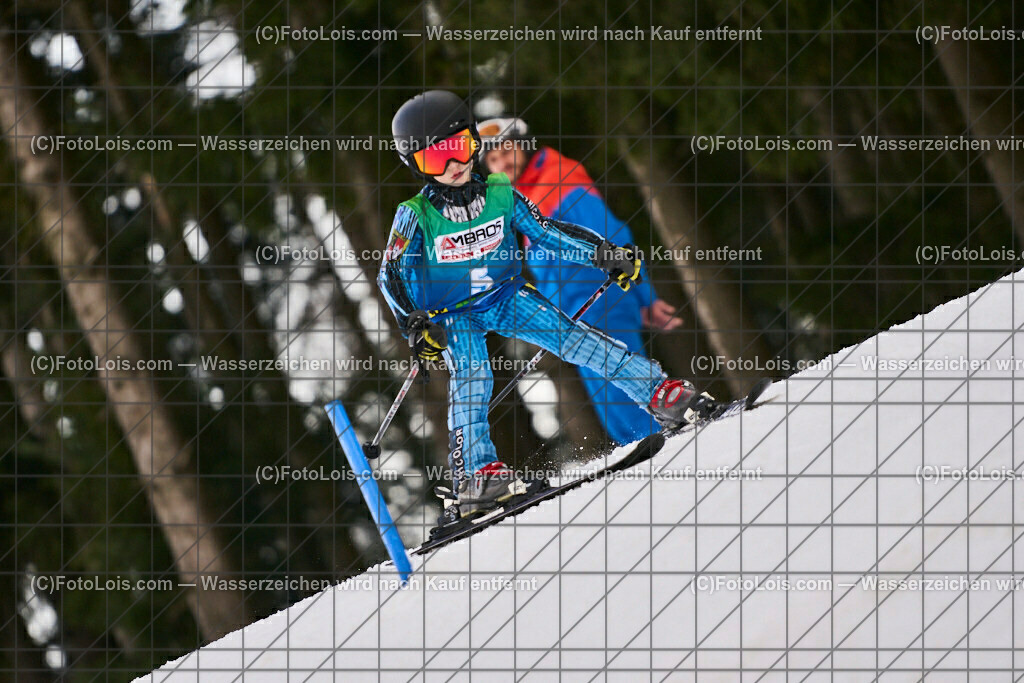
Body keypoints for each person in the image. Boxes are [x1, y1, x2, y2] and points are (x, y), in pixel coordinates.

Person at [378, 90, 716, 518]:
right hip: (453, 313)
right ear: (416, 166)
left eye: (459, 148)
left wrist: (603, 254)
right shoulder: (416, 214)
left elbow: (549, 234)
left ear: (473, 144)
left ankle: (657, 393)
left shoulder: (501, 194)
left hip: (503, 295)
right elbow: (391, 273)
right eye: (434, 159)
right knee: (473, 373)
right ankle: (477, 475)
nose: (453, 166)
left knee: (573, 336)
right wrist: (414, 324)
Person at [479, 116, 680, 446]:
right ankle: (642, 450)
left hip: (602, 301)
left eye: (507, 150)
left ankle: (668, 443)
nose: (503, 162)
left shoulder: (558, 178)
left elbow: (613, 237)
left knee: (622, 387)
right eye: (493, 160)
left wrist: (646, 296)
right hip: (575, 317)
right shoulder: (525, 201)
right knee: (606, 396)